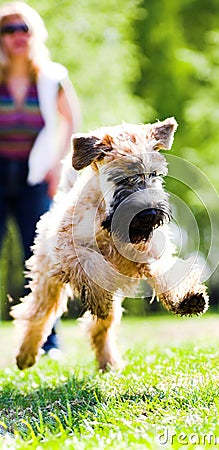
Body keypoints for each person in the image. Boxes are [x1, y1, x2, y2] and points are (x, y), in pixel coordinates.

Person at [0, 2, 81, 357]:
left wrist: (58, 167)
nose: (18, 35)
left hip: (35, 177)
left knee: (44, 258)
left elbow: (71, 121)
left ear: (34, 34)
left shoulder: (51, 76)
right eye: (9, 29)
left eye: (24, 28)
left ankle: (49, 343)